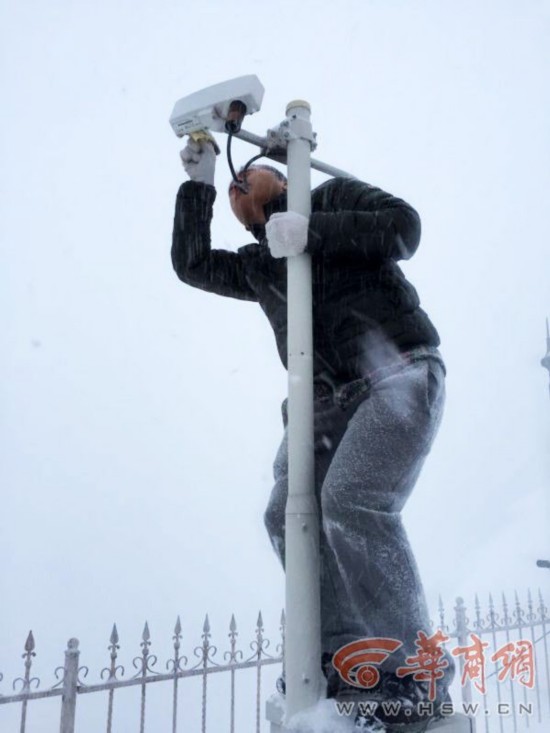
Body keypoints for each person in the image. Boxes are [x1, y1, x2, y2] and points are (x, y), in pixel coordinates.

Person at [172, 139, 455, 731]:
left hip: (396, 371)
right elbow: (193, 265)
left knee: (353, 502)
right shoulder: (259, 263)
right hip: (324, 402)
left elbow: (405, 228)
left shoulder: (333, 199)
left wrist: (313, 231)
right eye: (229, 188)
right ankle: (348, 660)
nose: (237, 184)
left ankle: (418, 674)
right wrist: (198, 182)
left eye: (247, 173)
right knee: (285, 516)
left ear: (282, 175)